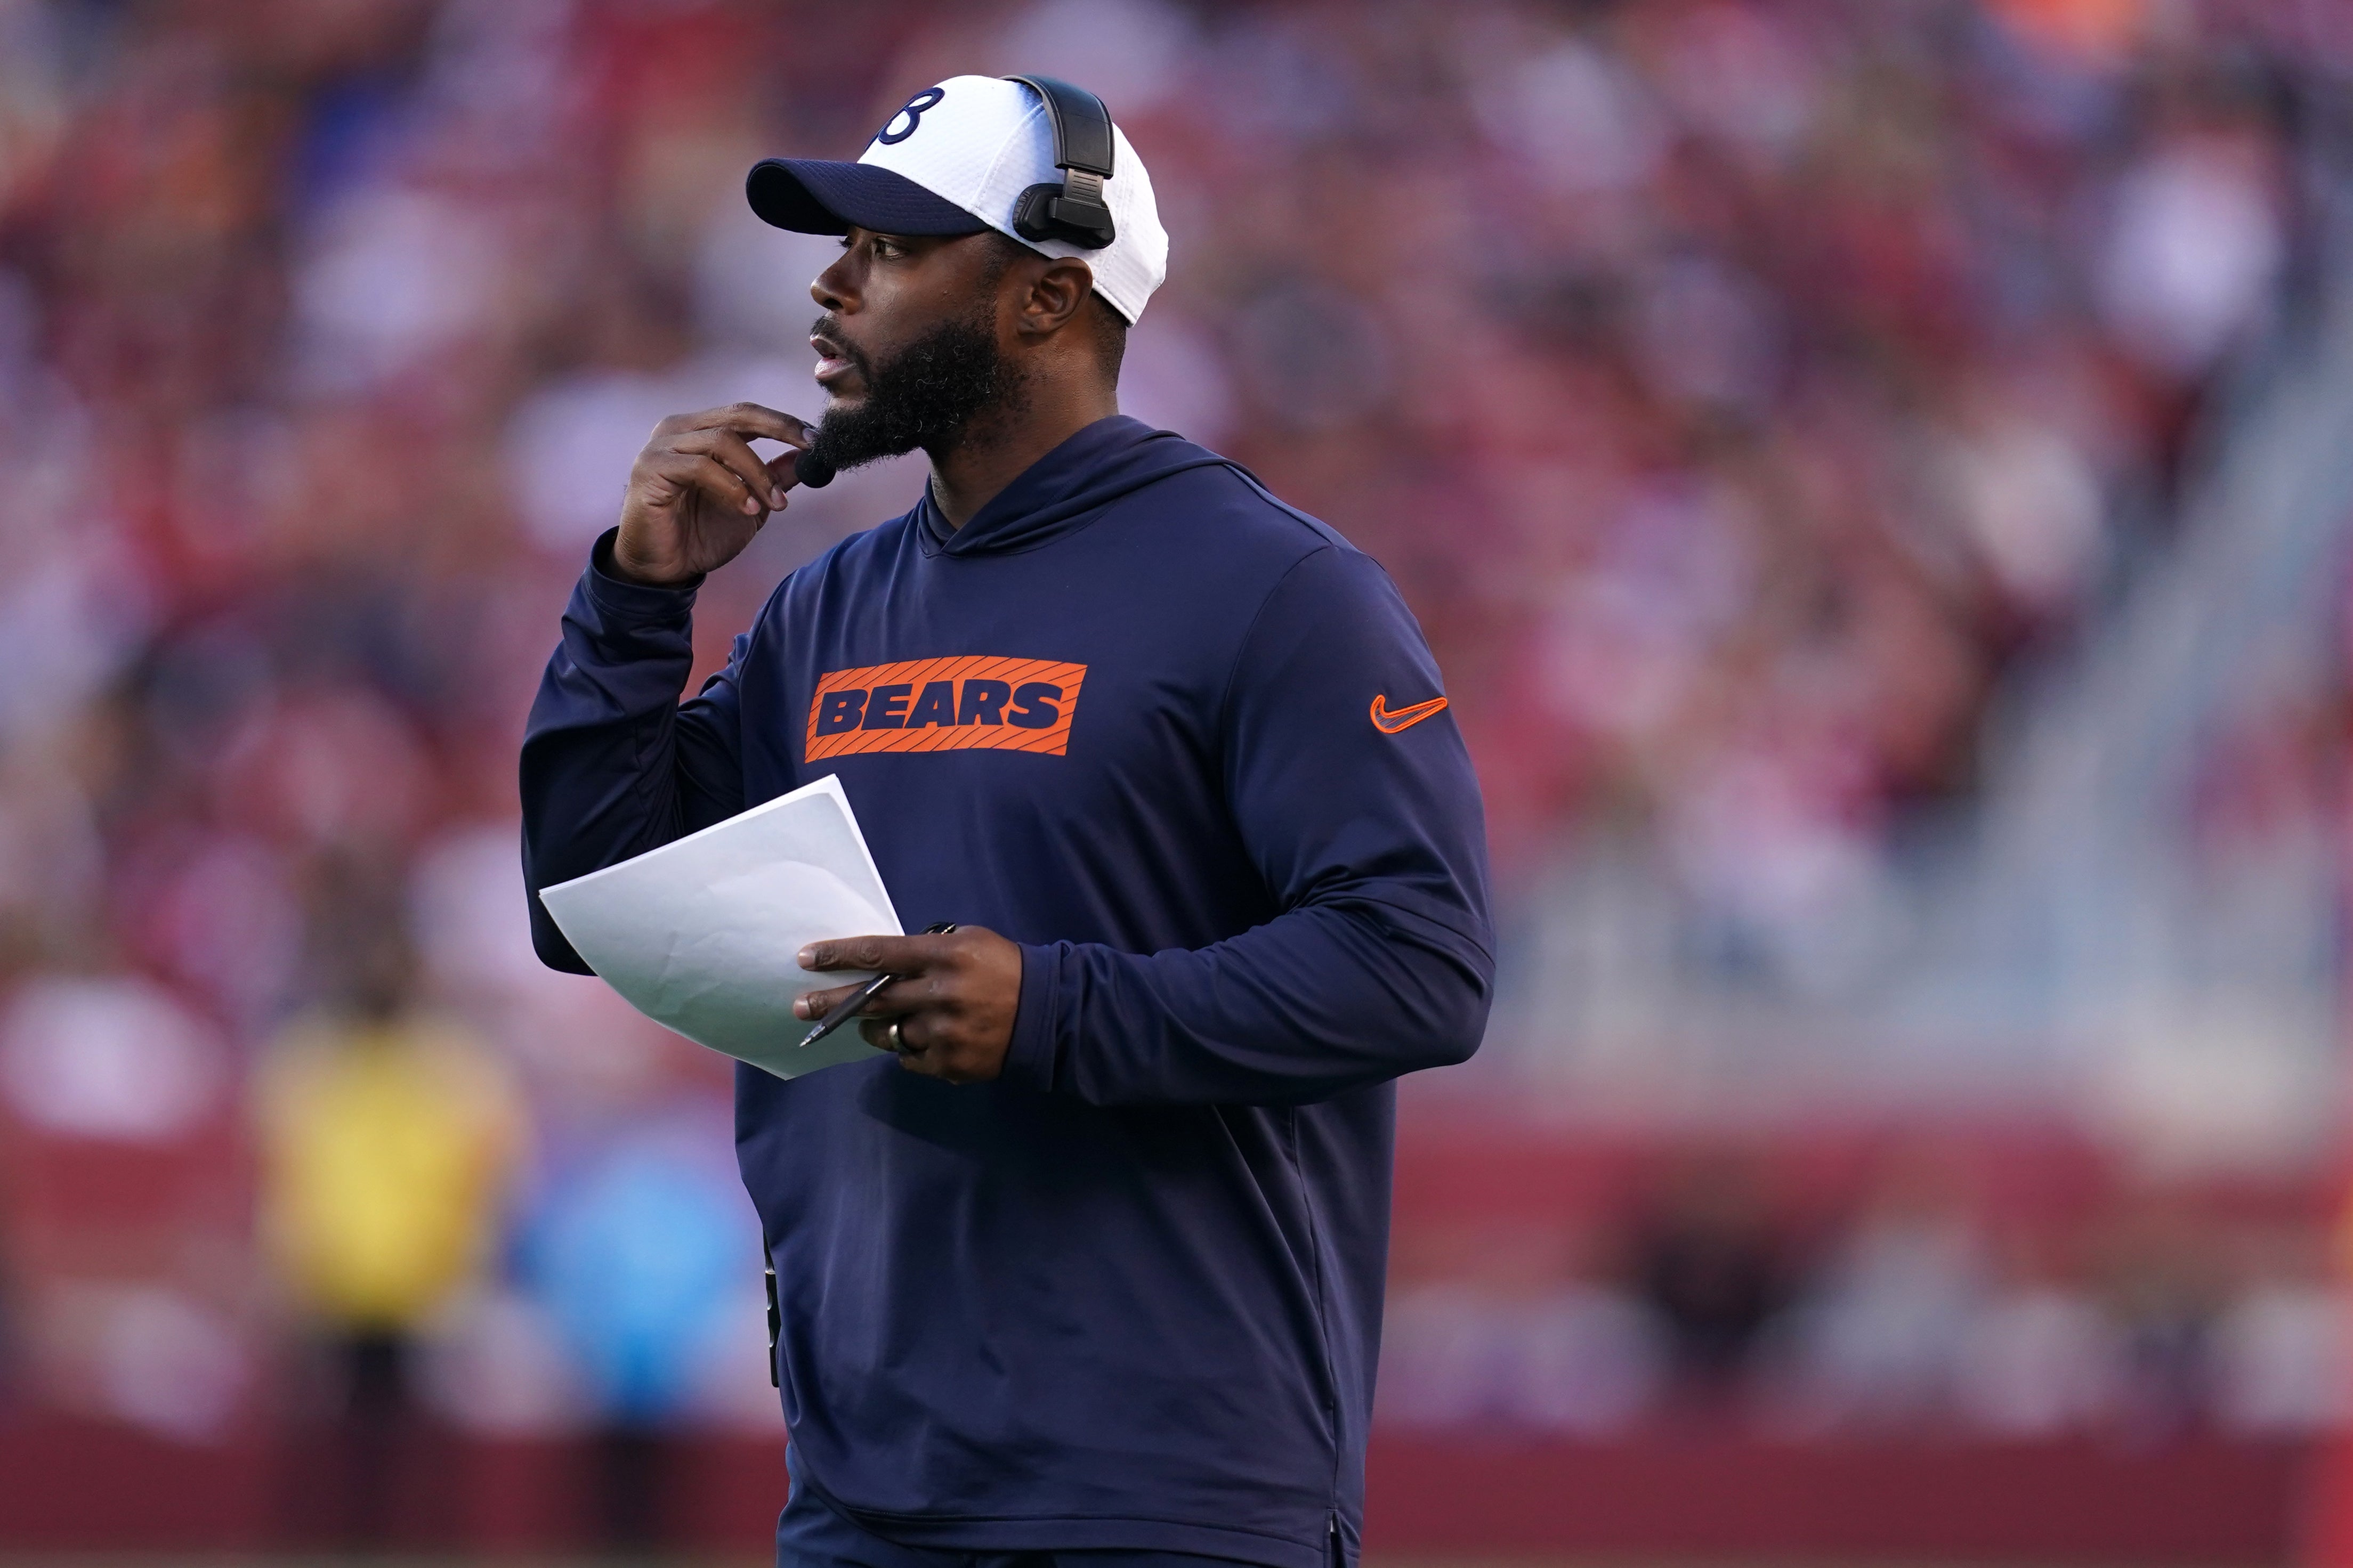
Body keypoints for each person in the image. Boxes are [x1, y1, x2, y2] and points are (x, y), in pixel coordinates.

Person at [520, 75, 1493, 1568]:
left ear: (1046, 297)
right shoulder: (821, 612)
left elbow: (1422, 964)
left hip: (1168, 1488)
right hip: (862, 1487)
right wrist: (637, 602)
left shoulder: (1277, 590)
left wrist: (1053, 1007)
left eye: (896, 250)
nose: (835, 283)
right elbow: (586, 902)